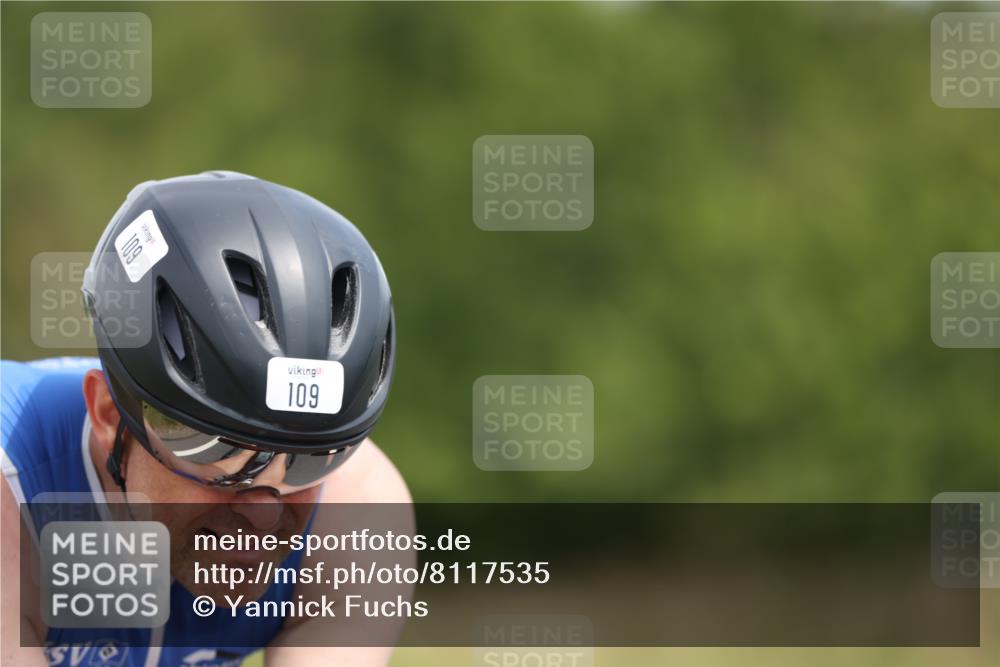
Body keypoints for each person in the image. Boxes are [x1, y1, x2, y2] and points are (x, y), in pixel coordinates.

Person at [1, 172, 410, 667]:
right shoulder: (14, 480)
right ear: (111, 415)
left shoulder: (360, 500)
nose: (261, 513)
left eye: (309, 461)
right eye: (219, 454)